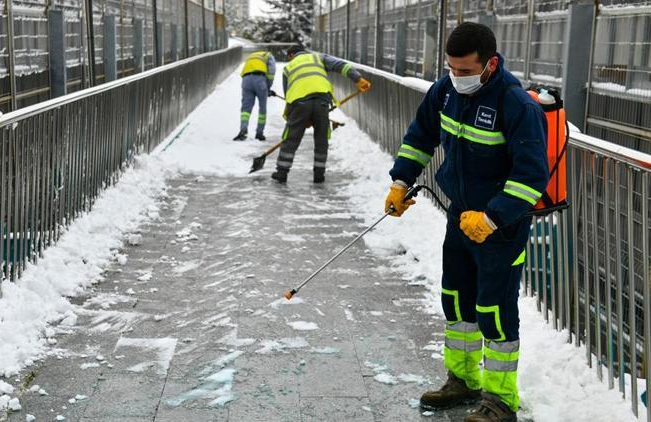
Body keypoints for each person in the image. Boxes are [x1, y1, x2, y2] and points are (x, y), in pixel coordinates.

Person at [384, 22, 548, 422]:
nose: (456, 77)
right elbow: (420, 136)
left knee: (494, 308)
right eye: (451, 68)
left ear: (490, 64)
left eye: (465, 70)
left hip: (501, 226)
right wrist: (401, 181)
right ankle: (462, 381)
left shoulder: (516, 105)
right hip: (460, 214)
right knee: (456, 300)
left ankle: (500, 399)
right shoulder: (445, 92)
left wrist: (492, 218)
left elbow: (532, 177)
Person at [271, 45, 371, 183]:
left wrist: (296, 118)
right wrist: (358, 79)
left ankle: (281, 172)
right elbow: (341, 65)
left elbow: (289, 95)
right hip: (322, 101)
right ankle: (319, 175)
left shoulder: (288, 68)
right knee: (321, 138)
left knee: (291, 138)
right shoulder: (318, 57)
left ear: (291, 56)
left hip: (299, 103)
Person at [234, 50, 277, 141]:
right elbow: (271, 73)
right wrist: (268, 88)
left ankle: (243, 130)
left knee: (246, 108)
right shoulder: (269, 55)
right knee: (262, 108)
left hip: (246, 80)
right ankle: (259, 133)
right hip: (260, 80)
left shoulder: (252, 56)